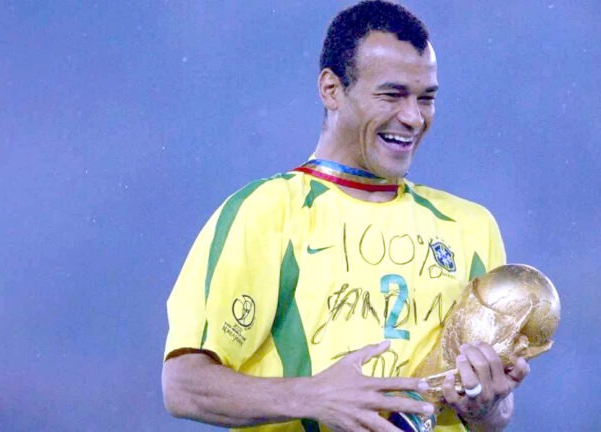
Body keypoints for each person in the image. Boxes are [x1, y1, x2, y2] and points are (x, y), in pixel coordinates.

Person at [162, 1, 529, 431]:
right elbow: (184, 386)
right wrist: (312, 396)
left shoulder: (471, 228)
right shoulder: (265, 213)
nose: (413, 117)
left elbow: (495, 416)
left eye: (426, 98)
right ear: (331, 89)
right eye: (392, 95)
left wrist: (485, 405)